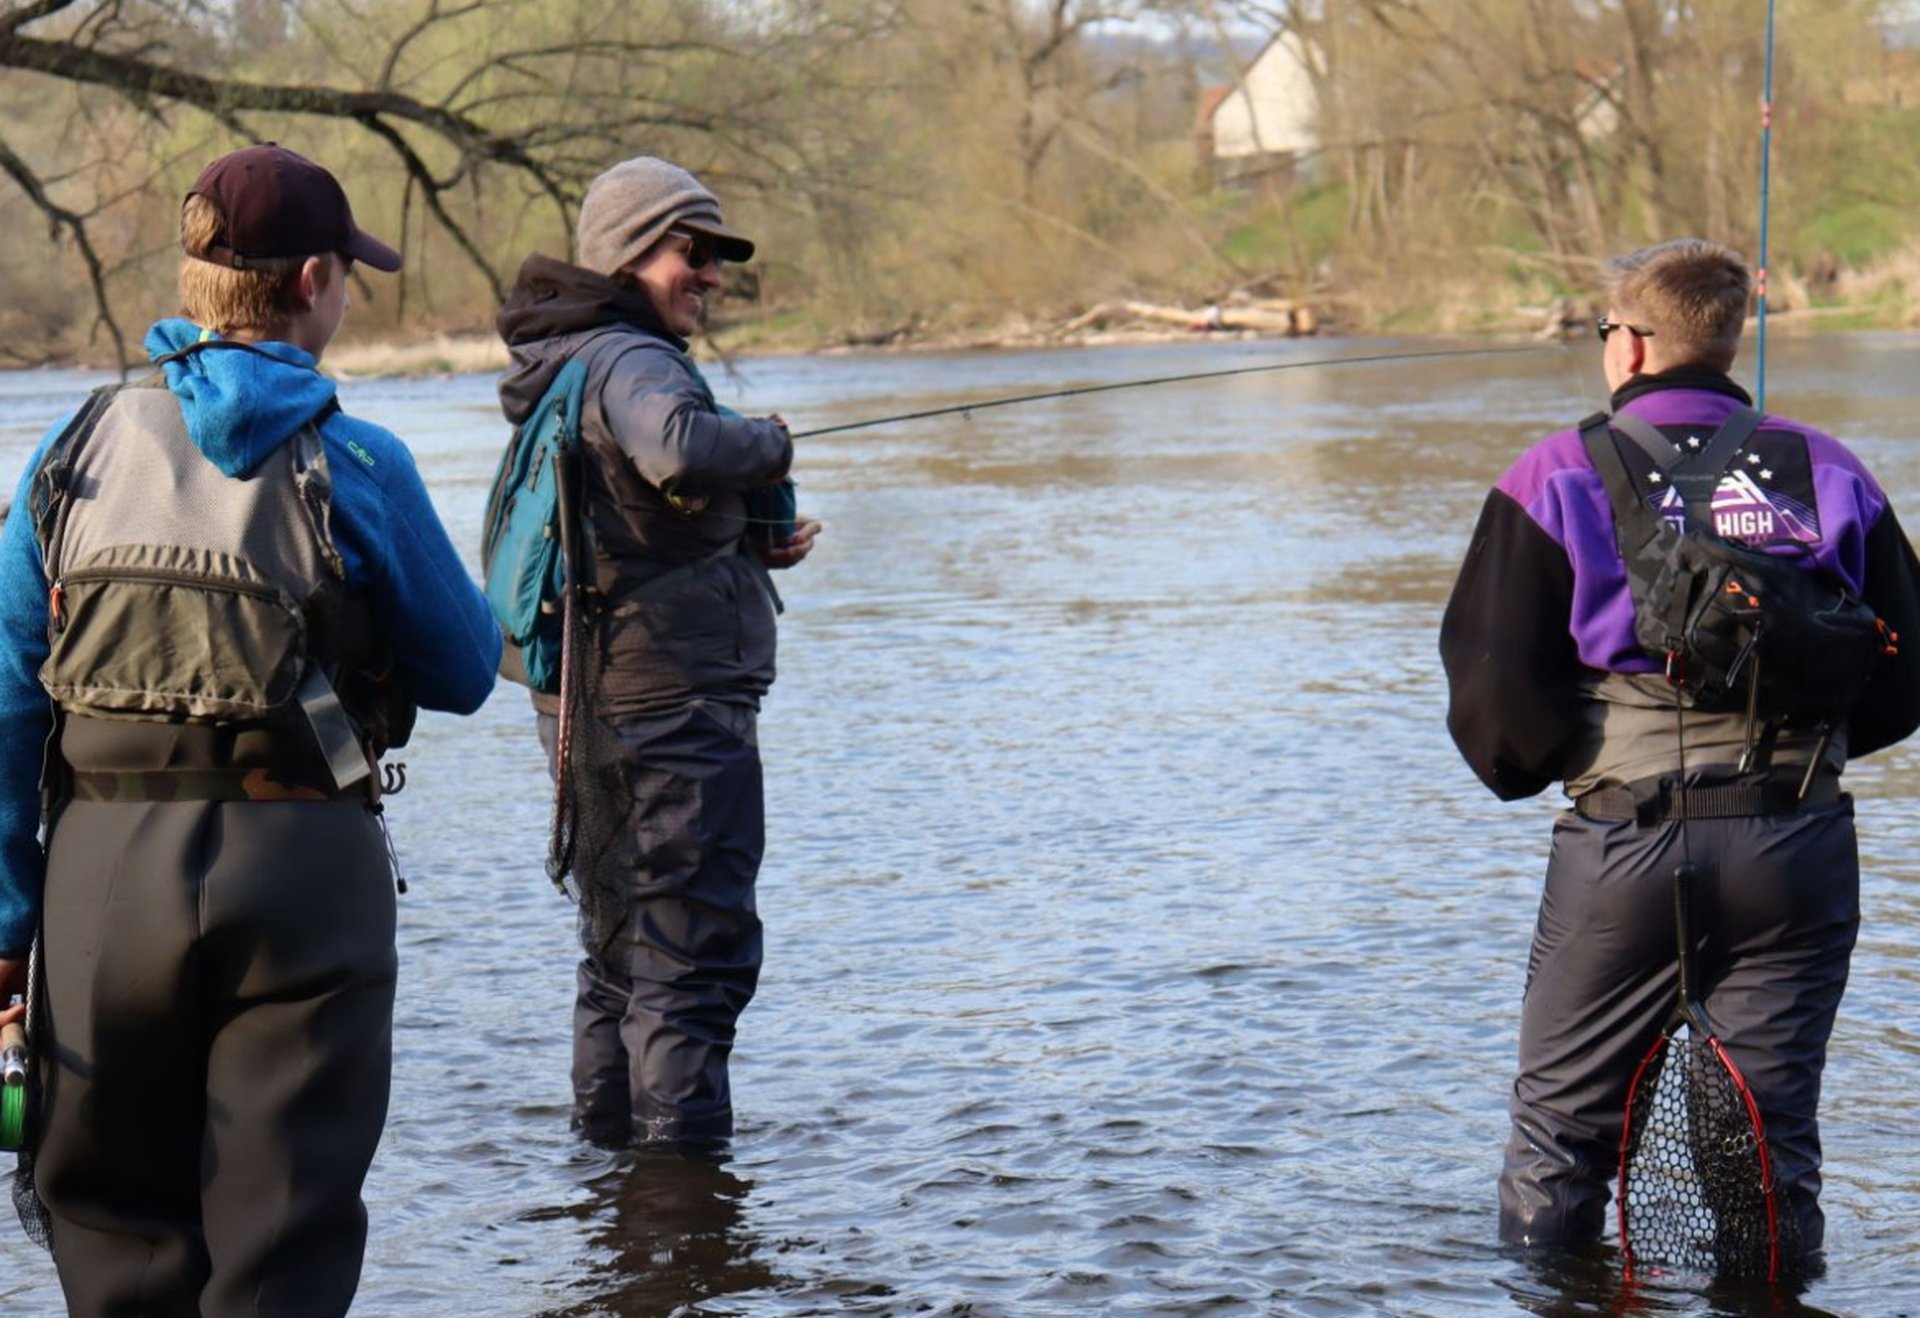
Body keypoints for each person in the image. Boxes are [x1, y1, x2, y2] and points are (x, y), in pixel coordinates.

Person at [0, 143, 501, 1316]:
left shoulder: (70, 453)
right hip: (302, 872)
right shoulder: (362, 460)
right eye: (347, 276)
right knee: (284, 1238)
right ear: (315, 280)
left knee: (114, 1231)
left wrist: (8, 927)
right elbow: (468, 668)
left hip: (101, 880)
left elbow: (9, 700)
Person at [1440, 238, 1920, 1254]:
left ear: (1629, 345)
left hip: (1625, 845)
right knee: (1763, 1148)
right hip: (1797, 843)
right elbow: (1906, 676)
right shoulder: (1832, 469)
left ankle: (1556, 1297)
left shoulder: (1554, 474)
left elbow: (1495, 695)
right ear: (1729, 341)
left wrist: (1542, 765)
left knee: (1562, 1140)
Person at [494, 156, 819, 1147]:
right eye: (693, 251)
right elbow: (675, 445)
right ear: (630, 254)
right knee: (690, 963)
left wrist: (741, 540)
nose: (711, 275)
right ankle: (684, 1211)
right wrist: (769, 443)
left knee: (618, 959)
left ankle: (606, 1192)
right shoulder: (636, 360)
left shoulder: (572, 355)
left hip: (592, 705)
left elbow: (628, 511)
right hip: (670, 713)